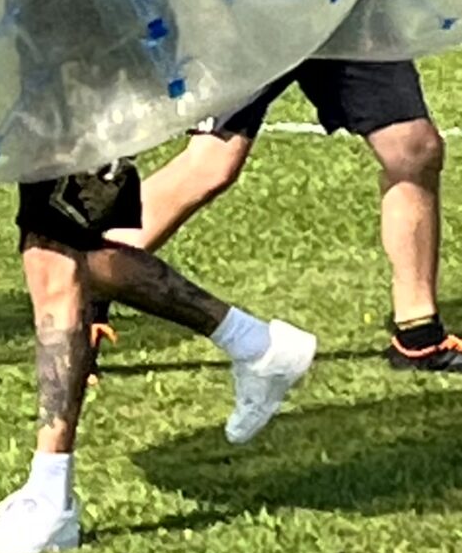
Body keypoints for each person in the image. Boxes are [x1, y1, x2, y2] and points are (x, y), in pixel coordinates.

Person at [0, 161, 317, 553]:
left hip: (72, 105)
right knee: (76, 255)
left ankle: (49, 499)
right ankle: (256, 344)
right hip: (50, 108)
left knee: (52, 259)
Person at [101, 58, 462, 372]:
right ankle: (86, 282)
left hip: (348, 2)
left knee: (414, 148)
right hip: (258, 6)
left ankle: (419, 334)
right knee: (212, 164)